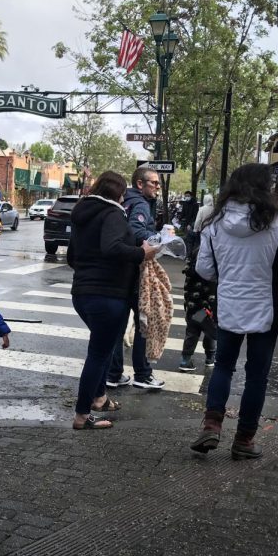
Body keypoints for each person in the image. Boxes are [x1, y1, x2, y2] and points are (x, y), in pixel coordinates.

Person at [189, 164, 278, 458]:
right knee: (257, 375)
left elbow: (204, 269)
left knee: (223, 366)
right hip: (268, 309)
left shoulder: (215, 222)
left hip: (229, 305)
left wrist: (230, 275)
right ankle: (244, 440)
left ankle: (212, 423)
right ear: (266, 187)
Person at [67, 171, 158, 430]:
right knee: (97, 354)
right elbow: (111, 247)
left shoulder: (83, 214)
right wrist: (142, 253)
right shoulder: (114, 213)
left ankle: (99, 398)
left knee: (104, 348)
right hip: (108, 296)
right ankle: (82, 415)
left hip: (82, 294)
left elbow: (72, 257)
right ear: (119, 193)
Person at [106, 165, 164, 390]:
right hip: (137, 271)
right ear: (140, 184)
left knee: (119, 325)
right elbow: (136, 232)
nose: (157, 187)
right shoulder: (140, 203)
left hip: (120, 272)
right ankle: (143, 373)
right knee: (144, 324)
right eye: (154, 183)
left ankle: (114, 373)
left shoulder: (124, 201)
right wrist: (161, 238)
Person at [178, 232, 217, 372]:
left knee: (192, 332)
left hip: (192, 306)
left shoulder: (191, 266)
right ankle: (210, 357)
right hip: (206, 308)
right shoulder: (212, 265)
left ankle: (185, 359)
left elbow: (187, 286)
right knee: (210, 332)